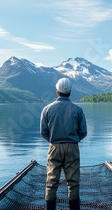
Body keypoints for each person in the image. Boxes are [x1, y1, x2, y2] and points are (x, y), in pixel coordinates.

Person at [40, 77, 87, 210]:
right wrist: (73, 140)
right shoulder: (78, 109)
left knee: (51, 183)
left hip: (54, 146)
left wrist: (54, 141)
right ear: (70, 92)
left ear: (57, 92)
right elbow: (83, 132)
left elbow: (43, 132)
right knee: (73, 183)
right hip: (72, 147)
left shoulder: (47, 109)